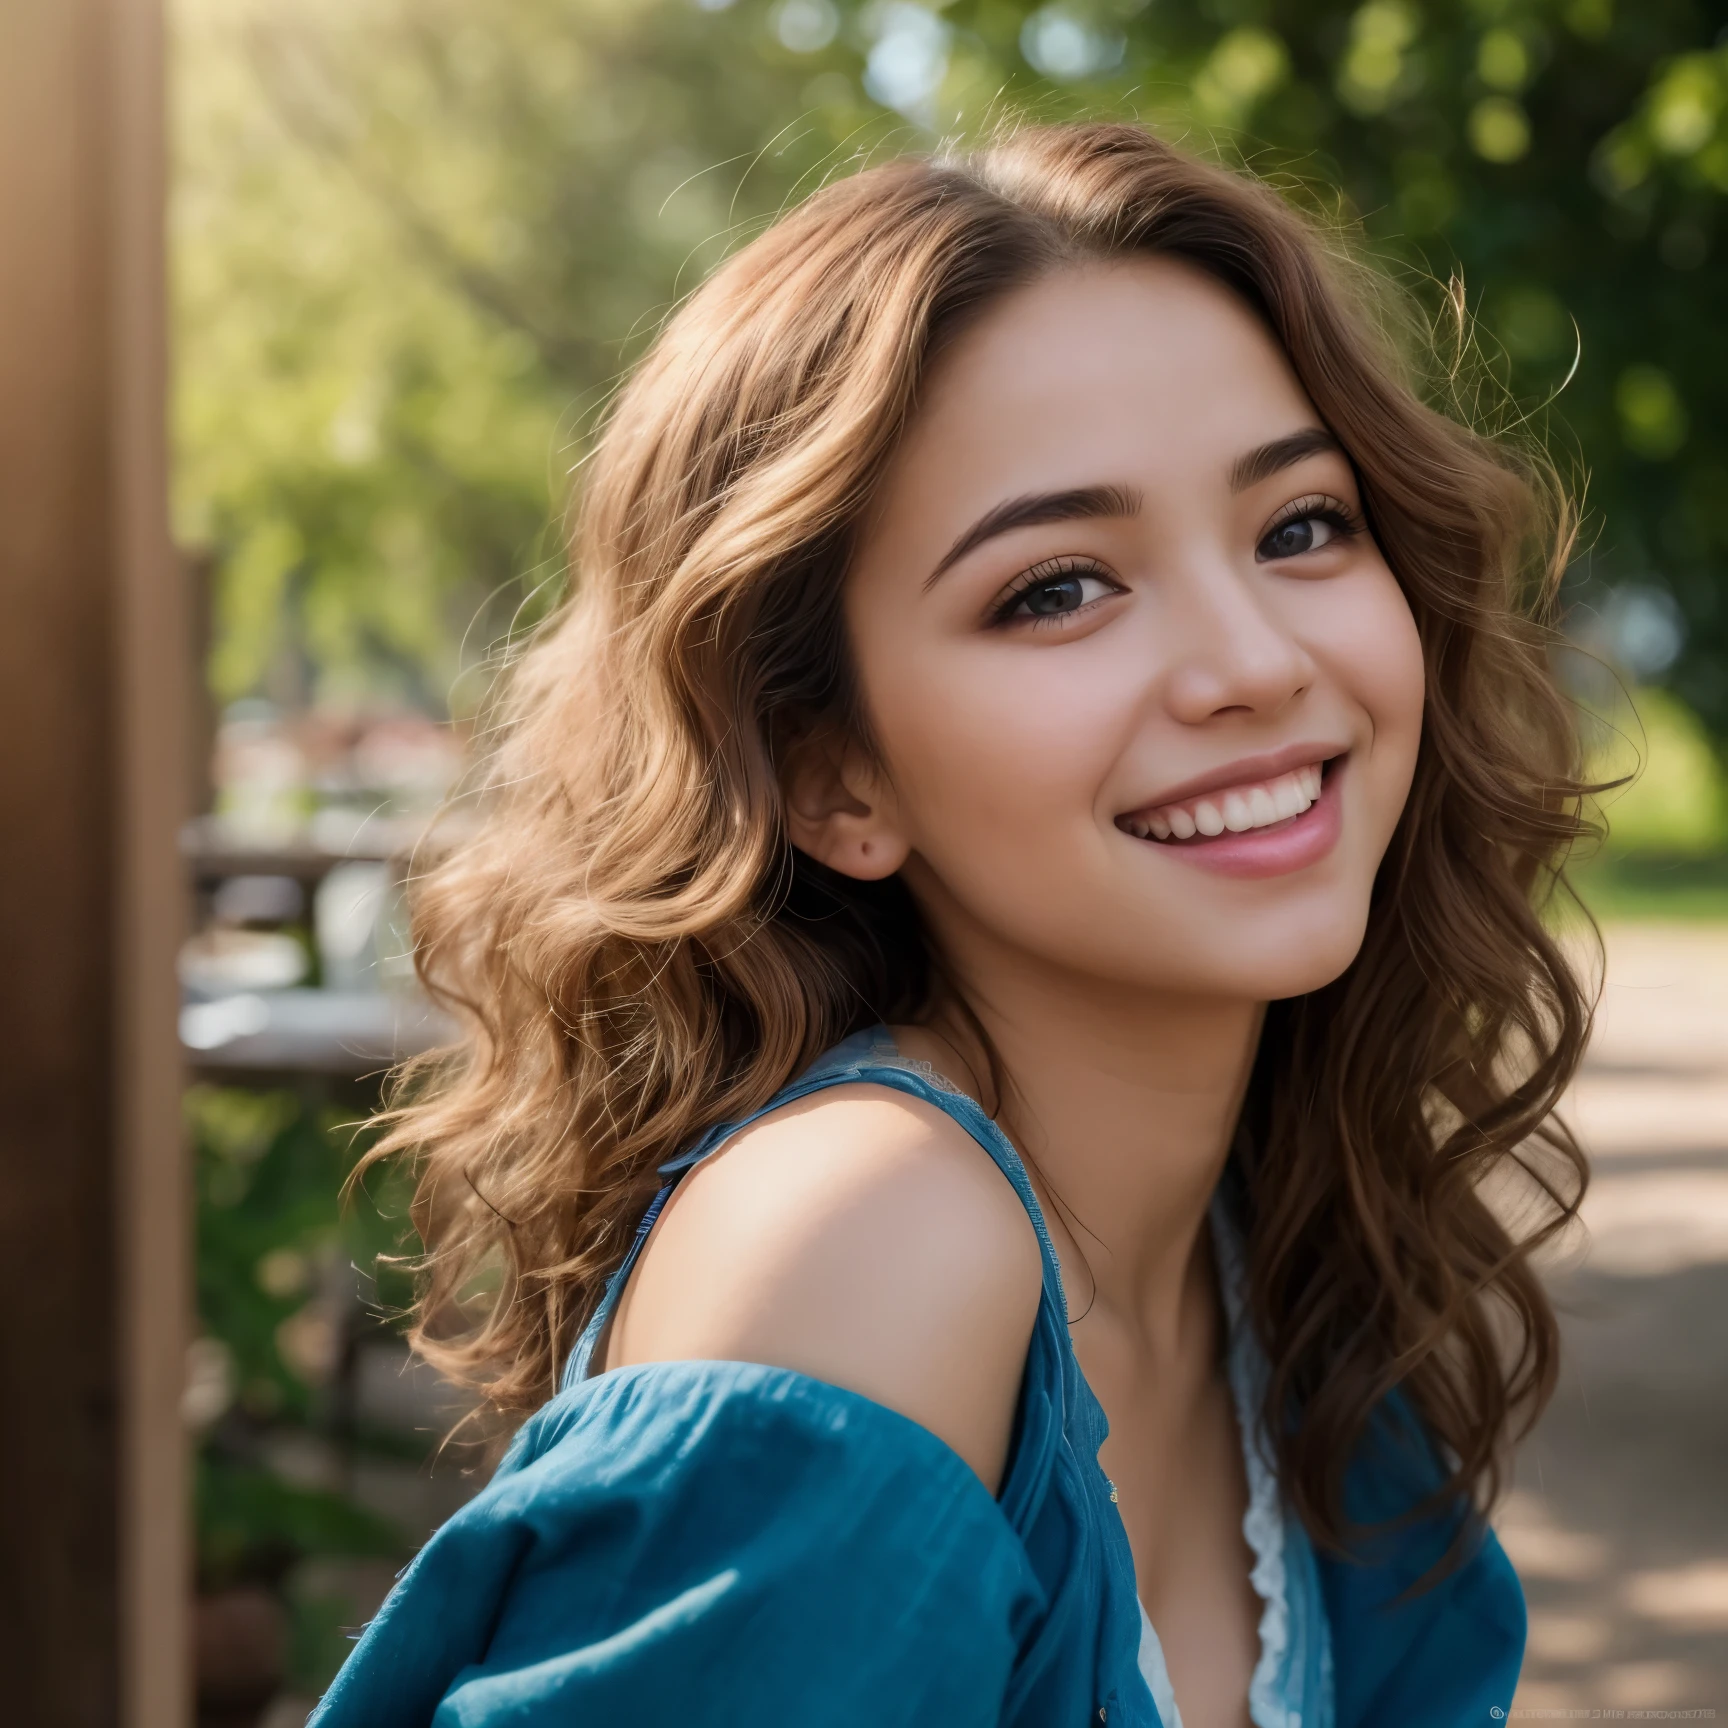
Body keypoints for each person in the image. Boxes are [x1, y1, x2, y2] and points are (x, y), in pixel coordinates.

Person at [311, 121, 1592, 1728]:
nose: (1254, 660)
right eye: (1059, 586)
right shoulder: (871, 1244)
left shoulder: (1266, 1245)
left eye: (1299, 527)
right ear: (835, 775)